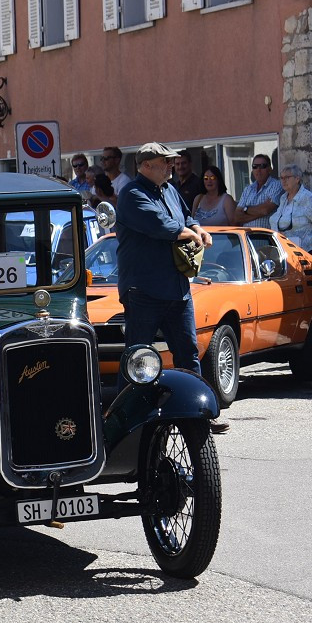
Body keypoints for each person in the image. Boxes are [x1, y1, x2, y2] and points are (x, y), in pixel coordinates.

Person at [115, 142, 226, 433]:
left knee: (188, 352)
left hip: (176, 288)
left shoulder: (169, 190)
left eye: (171, 161)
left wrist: (198, 228)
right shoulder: (132, 194)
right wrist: (186, 232)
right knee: (137, 356)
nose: (171, 166)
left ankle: (197, 414)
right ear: (147, 165)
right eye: (165, 162)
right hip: (144, 290)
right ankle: (125, 421)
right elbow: (159, 223)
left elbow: (186, 216)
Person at [271, 165, 312, 257]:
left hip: (303, 251)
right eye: (281, 178)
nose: (283, 181)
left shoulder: (306, 197)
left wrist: (310, 240)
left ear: (297, 179)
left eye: (287, 177)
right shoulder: (283, 198)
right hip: (286, 249)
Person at [234, 154, 283, 228]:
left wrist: (245, 209)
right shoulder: (248, 189)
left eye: (262, 166)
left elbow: (265, 210)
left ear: (269, 169)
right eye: (255, 166)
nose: (258, 170)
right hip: (247, 236)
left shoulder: (277, 185)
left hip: (265, 236)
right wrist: (259, 212)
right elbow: (237, 217)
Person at [171, 150, 205, 215]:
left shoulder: (199, 184)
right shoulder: (173, 185)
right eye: (177, 164)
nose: (180, 167)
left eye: (183, 163)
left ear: (190, 164)